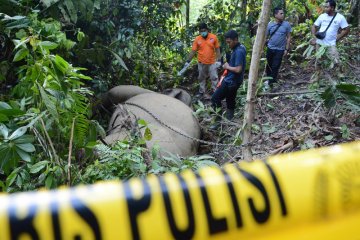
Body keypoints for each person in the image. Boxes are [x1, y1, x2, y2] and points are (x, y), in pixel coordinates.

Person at [211, 30, 246, 121]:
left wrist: (227, 66)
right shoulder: (241, 47)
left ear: (235, 40)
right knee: (230, 99)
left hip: (231, 81)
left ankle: (217, 120)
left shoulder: (238, 51)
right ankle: (229, 118)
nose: (228, 44)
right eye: (227, 42)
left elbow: (238, 69)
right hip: (234, 80)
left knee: (215, 98)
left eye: (229, 42)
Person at [183, 23, 221, 99]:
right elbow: (193, 51)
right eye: (201, 31)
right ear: (199, 31)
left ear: (207, 30)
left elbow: (217, 49)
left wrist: (219, 60)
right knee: (201, 78)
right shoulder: (197, 39)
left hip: (212, 62)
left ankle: (215, 91)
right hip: (201, 62)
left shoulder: (213, 37)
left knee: (214, 77)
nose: (203, 32)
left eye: (204, 30)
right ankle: (202, 91)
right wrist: (188, 61)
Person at [310, 0, 349, 66]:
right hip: (319, 43)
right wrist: (314, 37)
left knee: (336, 62)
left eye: (327, 7)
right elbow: (314, 26)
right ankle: (319, 75)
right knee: (319, 62)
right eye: (325, 7)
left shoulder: (340, 17)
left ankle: (337, 75)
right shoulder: (322, 16)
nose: (325, 9)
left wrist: (338, 37)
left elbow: (347, 29)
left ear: (332, 8)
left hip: (331, 44)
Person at [265, 7, 292, 88]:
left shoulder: (286, 24)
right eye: (281, 13)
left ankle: (272, 82)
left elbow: (289, 37)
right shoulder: (270, 24)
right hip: (270, 48)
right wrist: (262, 48)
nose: (283, 15)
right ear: (275, 15)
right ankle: (270, 79)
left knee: (276, 65)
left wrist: (286, 49)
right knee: (269, 65)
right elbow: (265, 37)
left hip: (280, 49)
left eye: (283, 13)